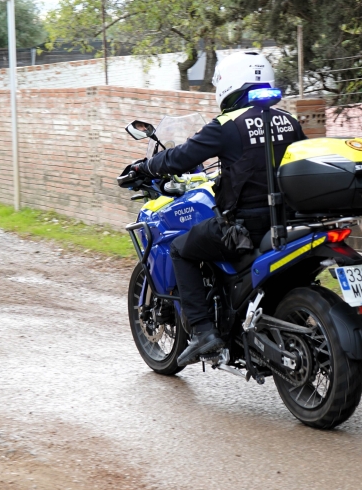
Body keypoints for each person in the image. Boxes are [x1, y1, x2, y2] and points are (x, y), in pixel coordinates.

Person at [123, 51, 306, 366]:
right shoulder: (288, 120)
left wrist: (146, 166)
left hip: (245, 229)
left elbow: (181, 156)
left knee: (182, 248)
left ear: (228, 84)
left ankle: (204, 332)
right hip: (289, 223)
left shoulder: (227, 125)